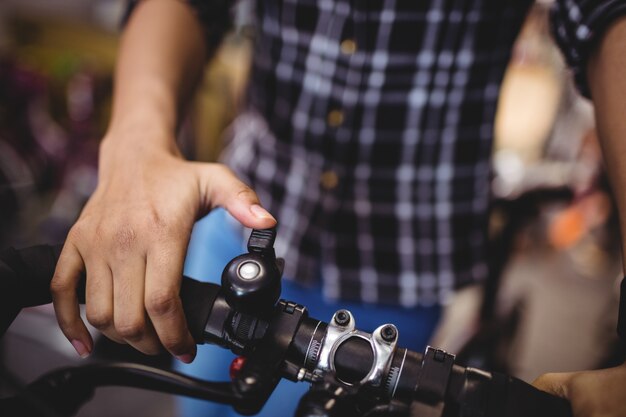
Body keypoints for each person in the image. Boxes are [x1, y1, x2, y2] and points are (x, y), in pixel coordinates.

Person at [49, 0, 626, 416]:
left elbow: (607, 17)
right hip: (241, 213)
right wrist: (135, 146)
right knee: (199, 405)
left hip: (401, 261)